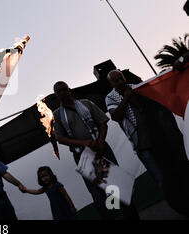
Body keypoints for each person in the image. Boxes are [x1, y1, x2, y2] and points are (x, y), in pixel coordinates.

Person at [106, 70, 189, 215]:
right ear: (111, 83)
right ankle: (180, 208)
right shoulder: (110, 98)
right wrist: (125, 98)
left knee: (176, 172)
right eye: (116, 80)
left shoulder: (137, 87)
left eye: (121, 78)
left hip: (159, 139)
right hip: (142, 145)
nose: (120, 82)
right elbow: (116, 116)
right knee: (161, 180)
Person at [52, 81, 139, 220]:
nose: (62, 92)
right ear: (56, 95)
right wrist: (83, 143)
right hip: (83, 156)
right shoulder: (57, 115)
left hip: (102, 149)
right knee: (98, 194)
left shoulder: (86, 103)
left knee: (117, 188)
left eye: (64, 89)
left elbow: (103, 122)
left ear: (69, 90)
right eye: (59, 91)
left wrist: (100, 142)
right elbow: (60, 138)